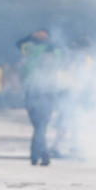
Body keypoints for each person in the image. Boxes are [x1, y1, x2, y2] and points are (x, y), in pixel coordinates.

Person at [16, 29, 59, 166]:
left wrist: (33, 37)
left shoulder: (36, 51)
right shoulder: (34, 52)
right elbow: (19, 44)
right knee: (39, 126)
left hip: (42, 94)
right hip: (36, 93)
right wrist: (31, 36)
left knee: (40, 127)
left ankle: (37, 155)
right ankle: (41, 154)